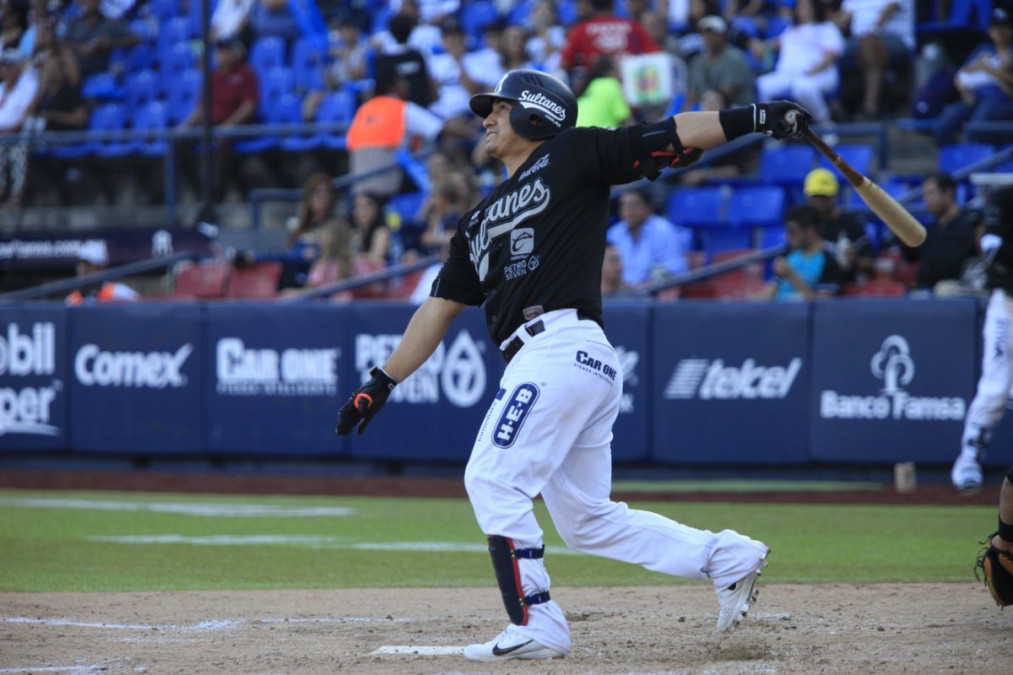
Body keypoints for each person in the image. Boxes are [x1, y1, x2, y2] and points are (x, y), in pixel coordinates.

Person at [336, 67, 811, 661]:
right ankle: (726, 557)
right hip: (559, 361)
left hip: (559, 347)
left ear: (535, 112)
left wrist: (757, 118)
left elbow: (672, 134)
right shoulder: (477, 222)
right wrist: (381, 381)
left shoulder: (574, 153)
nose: (486, 117)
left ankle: (537, 622)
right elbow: (437, 309)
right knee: (586, 520)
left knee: (491, 477)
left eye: (499, 107)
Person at [952, 186, 1013, 494]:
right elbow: (991, 245)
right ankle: (969, 459)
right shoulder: (1005, 197)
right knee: (995, 388)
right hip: (1008, 305)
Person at [345, 59, 473, 199]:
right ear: (392, 85)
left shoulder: (364, 109)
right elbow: (441, 128)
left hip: (358, 186)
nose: (407, 84)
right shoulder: (400, 107)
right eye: (402, 81)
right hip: (388, 184)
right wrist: (476, 133)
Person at [175, 37, 259, 202]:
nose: (224, 55)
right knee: (179, 143)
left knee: (223, 140)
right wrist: (185, 127)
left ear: (236, 53)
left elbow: (249, 106)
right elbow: (202, 107)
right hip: (212, 124)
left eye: (227, 51)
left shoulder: (247, 73)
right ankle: (200, 192)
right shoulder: (213, 76)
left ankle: (216, 196)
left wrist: (228, 126)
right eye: (220, 51)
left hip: (238, 127)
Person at [753, 0, 845, 126]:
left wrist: (812, 70)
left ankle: (825, 124)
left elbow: (831, 55)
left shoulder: (826, 27)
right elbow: (776, 43)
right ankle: (773, 128)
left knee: (802, 88)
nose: (803, 10)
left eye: (806, 7)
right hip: (787, 76)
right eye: (801, 7)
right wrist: (761, 46)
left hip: (818, 75)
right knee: (762, 85)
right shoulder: (791, 29)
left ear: (815, 8)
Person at [932, 6, 1013, 146]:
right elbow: (960, 75)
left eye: (1004, 27)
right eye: (995, 27)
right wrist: (965, 93)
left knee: (977, 126)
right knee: (942, 126)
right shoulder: (983, 49)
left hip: (1001, 99)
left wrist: (986, 67)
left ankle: (981, 163)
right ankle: (956, 161)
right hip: (975, 98)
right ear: (989, 30)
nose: (999, 31)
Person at [900, 172, 981, 294]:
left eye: (931, 193)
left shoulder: (970, 226)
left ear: (948, 192)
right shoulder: (929, 230)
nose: (927, 199)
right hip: (926, 291)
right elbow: (912, 258)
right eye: (925, 194)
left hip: (959, 291)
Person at [833, 0, 915, 120]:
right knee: (828, 49)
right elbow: (842, 21)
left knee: (870, 44)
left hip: (895, 40)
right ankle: (834, 111)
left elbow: (889, 10)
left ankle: (870, 108)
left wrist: (873, 30)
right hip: (857, 40)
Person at [803, 168, 876, 283]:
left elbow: (870, 262)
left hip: (843, 288)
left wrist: (854, 260)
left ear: (835, 195)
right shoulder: (805, 225)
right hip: (810, 285)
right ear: (808, 197)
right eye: (816, 196)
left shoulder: (850, 223)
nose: (820, 201)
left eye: (825, 195)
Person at [607, 188, 691, 286]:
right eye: (624, 205)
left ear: (649, 208)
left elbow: (677, 267)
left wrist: (650, 283)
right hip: (620, 292)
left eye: (634, 205)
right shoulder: (615, 233)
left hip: (654, 293)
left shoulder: (664, 230)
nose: (629, 210)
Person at [760, 203, 843, 301]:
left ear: (810, 231)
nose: (788, 236)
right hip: (777, 313)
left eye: (792, 231)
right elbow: (766, 297)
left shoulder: (829, 262)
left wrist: (792, 276)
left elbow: (821, 307)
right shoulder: (786, 255)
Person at [683, 15, 756, 111]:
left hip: (738, 109)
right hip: (706, 107)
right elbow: (692, 94)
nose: (708, 37)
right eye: (705, 33)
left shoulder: (734, 58)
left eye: (713, 33)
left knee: (713, 99)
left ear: (722, 35)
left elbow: (727, 93)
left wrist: (706, 97)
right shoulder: (698, 61)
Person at [61, 0, 140, 79]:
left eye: (93, 1)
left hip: (98, 66)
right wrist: (81, 48)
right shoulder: (75, 23)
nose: (90, 3)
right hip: (74, 65)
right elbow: (64, 43)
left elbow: (136, 39)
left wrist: (112, 42)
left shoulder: (110, 22)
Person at [66, 240, 139, 305]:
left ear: (101, 268)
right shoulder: (71, 299)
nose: (83, 270)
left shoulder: (120, 293)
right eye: (81, 265)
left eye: (89, 266)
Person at [574, 55, 634, 128]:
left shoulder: (586, 86)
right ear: (609, 72)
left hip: (578, 134)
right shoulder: (611, 84)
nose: (620, 75)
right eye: (617, 70)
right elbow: (625, 119)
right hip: (599, 135)